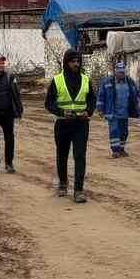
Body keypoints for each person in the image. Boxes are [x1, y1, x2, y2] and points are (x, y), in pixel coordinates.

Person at [45, 48, 93, 202]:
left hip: (81, 124)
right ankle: (63, 183)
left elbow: (92, 100)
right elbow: (48, 103)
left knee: (80, 156)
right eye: (73, 61)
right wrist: (60, 111)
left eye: (78, 61)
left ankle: (79, 190)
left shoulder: (86, 79)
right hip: (62, 124)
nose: (76, 64)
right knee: (62, 155)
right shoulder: (57, 80)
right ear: (66, 63)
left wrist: (88, 111)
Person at [96, 59, 140, 158]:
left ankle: (121, 149)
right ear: (115, 72)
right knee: (114, 131)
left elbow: (136, 93)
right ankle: (115, 151)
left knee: (124, 132)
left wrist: (136, 104)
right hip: (112, 112)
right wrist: (100, 109)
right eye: (119, 72)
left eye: (123, 72)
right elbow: (101, 96)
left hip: (125, 112)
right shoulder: (107, 82)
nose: (121, 74)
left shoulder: (130, 82)